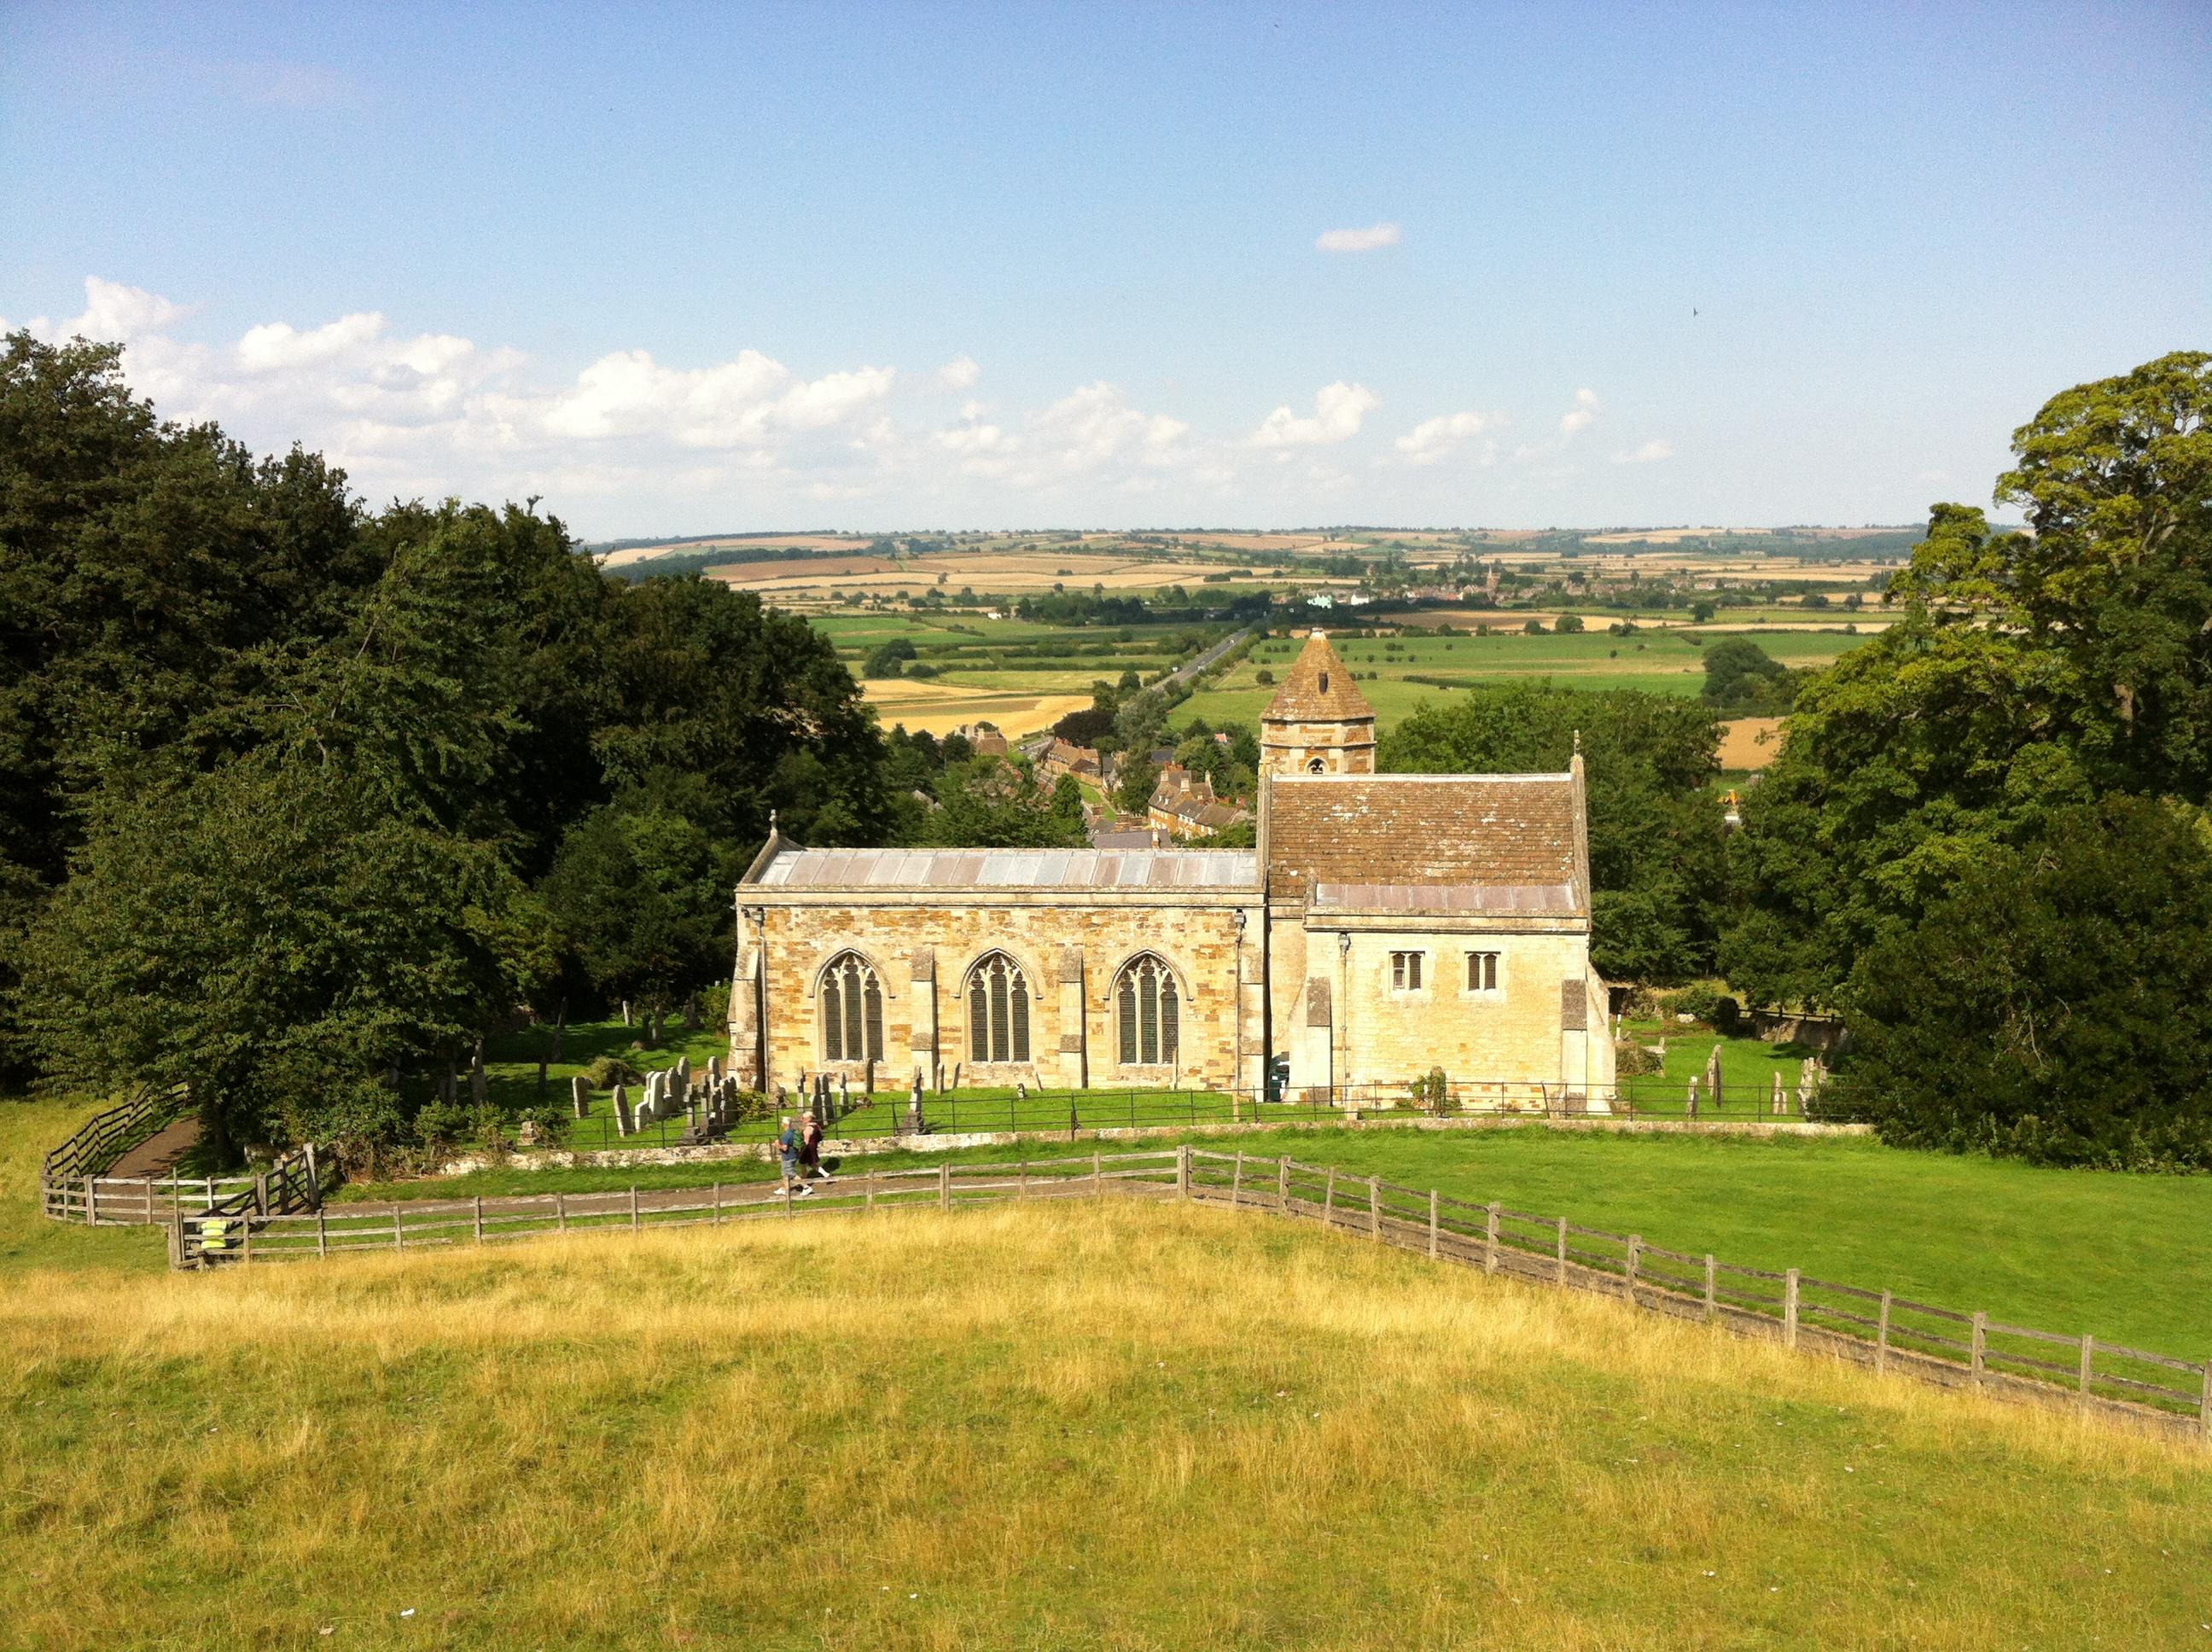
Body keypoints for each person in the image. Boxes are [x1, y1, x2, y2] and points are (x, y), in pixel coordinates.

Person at [777, 1115, 812, 1196]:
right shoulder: (793, 1132)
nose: (781, 1124)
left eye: (782, 1123)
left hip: (788, 1157)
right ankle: (783, 1189)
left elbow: (784, 1148)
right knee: (785, 1173)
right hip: (794, 1155)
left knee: (791, 1173)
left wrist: (777, 1145)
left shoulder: (786, 1135)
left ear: (784, 1124)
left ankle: (806, 1187)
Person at [800, 1115, 830, 1183]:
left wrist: (802, 1149)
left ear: (808, 1119)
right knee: (811, 1163)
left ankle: (804, 1180)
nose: (802, 1120)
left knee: (803, 1163)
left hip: (808, 1148)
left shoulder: (808, 1128)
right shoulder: (816, 1126)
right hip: (814, 1146)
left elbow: (806, 1141)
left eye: (803, 1118)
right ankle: (825, 1174)